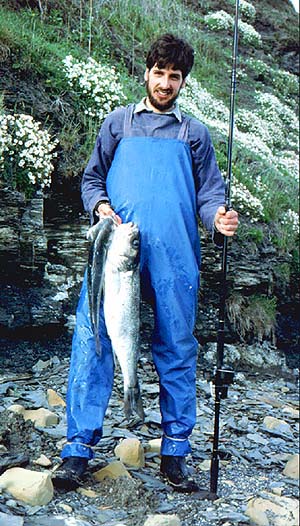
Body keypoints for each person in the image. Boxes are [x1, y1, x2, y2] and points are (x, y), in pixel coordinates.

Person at [52, 33, 238, 493]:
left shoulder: (194, 134)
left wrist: (217, 216)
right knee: (93, 337)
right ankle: (77, 449)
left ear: (183, 82)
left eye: (175, 77)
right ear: (147, 72)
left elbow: (211, 192)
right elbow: (93, 178)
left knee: (177, 347)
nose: (166, 83)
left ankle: (175, 451)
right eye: (160, 73)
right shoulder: (117, 124)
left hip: (175, 257)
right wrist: (98, 207)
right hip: (116, 254)